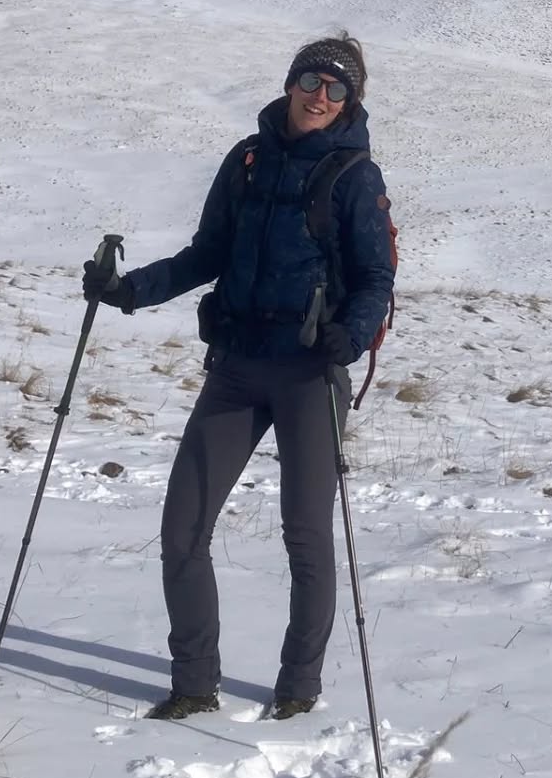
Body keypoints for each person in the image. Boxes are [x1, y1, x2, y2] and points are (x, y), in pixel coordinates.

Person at [83, 35, 395, 721]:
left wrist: (351, 333)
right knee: (182, 529)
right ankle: (195, 684)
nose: (321, 96)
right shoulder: (247, 160)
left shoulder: (355, 176)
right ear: (291, 83)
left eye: (338, 89)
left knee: (306, 534)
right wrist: (128, 289)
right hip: (236, 367)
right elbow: (208, 254)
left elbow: (376, 277)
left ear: (350, 103)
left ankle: (298, 687)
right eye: (313, 81)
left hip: (310, 373)